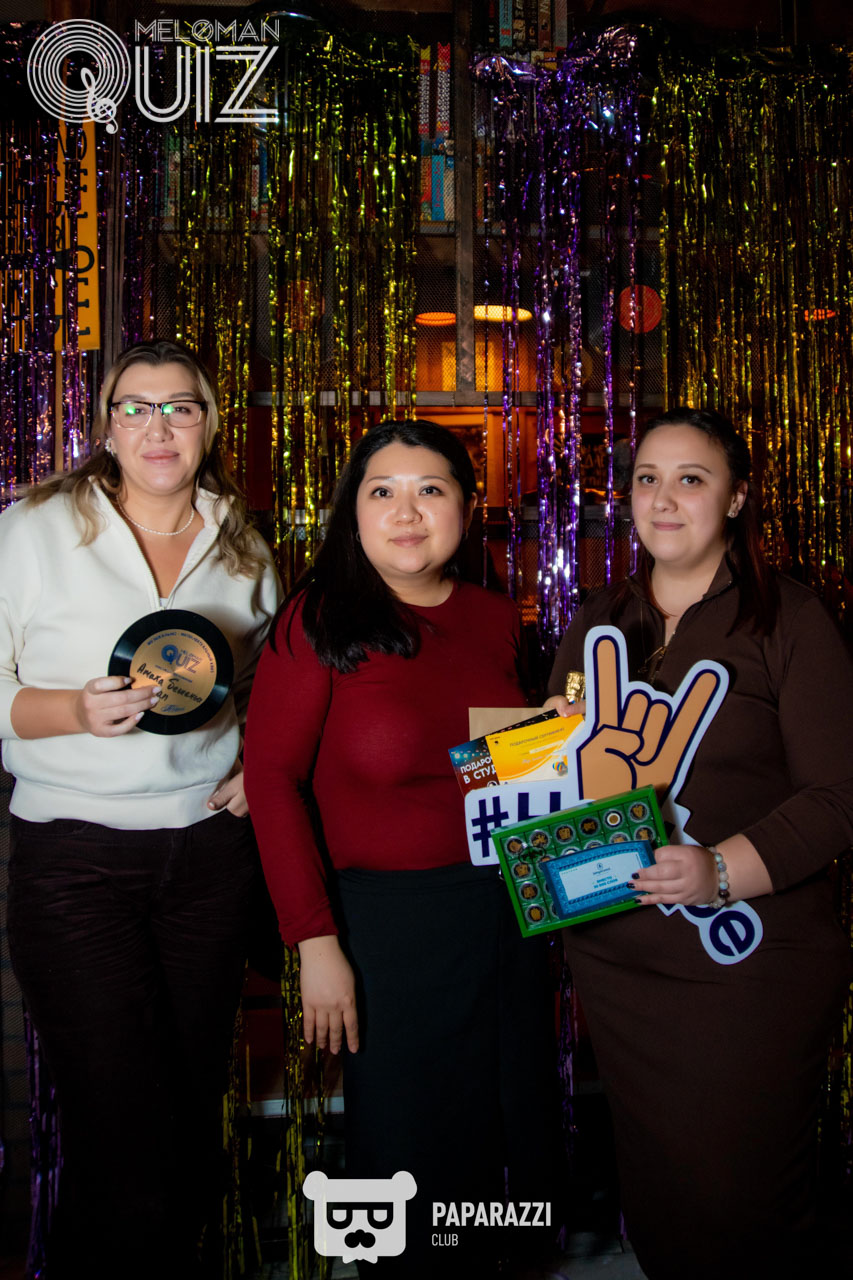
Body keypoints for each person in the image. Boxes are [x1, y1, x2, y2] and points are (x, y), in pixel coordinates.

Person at [243, 420, 563, 1278]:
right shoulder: (317, 618)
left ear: (466, 505)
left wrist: (559, 739)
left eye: (430, 490)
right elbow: (270, 781)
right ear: (353, 511)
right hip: (383, 931)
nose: (406, 511)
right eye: (381, 491)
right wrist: (314, 941)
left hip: (503, 915)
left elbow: (483, 772)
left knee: (508, 1130)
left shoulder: (495, 618)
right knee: (411, 1152)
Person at [546, 407, 853, 1280]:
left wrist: (720, 869)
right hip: (619, 965)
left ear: (737, 497)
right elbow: (547, 776)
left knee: (740, 1206)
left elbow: (839, 795)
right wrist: (509, 769)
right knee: (664, 1207)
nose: (662, 499)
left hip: (744, 967)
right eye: (647, 479)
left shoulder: (788, 617)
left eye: (691, 479)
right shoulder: (597, 620)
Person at [0, 340, 281, 1278]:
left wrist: (261, 763)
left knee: (189, 1122)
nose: (158, 428)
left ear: (209, 423)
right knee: (123, 1137)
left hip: (209, 860)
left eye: (180, 408)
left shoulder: (241, 544)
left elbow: (268, 688)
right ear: (107, 425)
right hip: (74, 862)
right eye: (136, 408)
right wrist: (73, 711)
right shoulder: (35, 529)